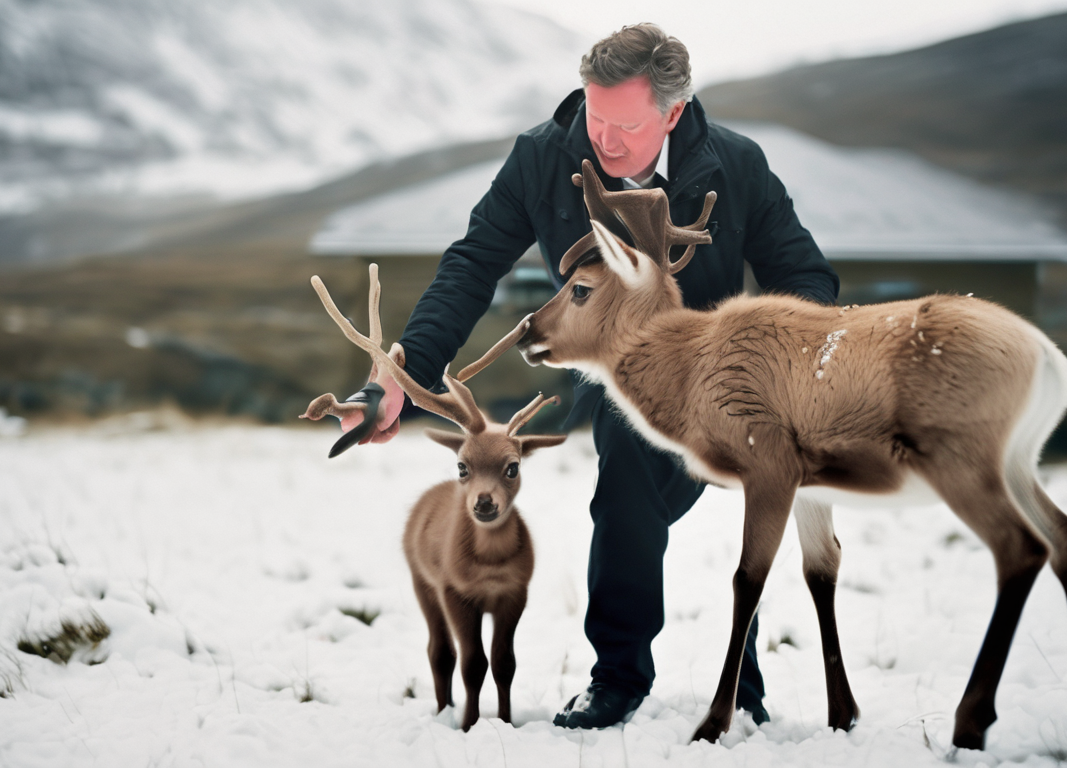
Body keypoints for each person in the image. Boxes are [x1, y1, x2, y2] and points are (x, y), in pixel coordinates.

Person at [339, 23, 839, 729]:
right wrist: (402, 372)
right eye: (592, 115)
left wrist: (775, 366)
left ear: (672, 113)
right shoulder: (543, 158)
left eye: (623, 126)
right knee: (627, 469)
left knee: (701, 505)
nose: (599, 139)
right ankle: (618, 679)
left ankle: (742, 686)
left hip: (734, 385)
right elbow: (473, 262)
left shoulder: (736, 164)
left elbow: (806, 275)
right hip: (624, 385)